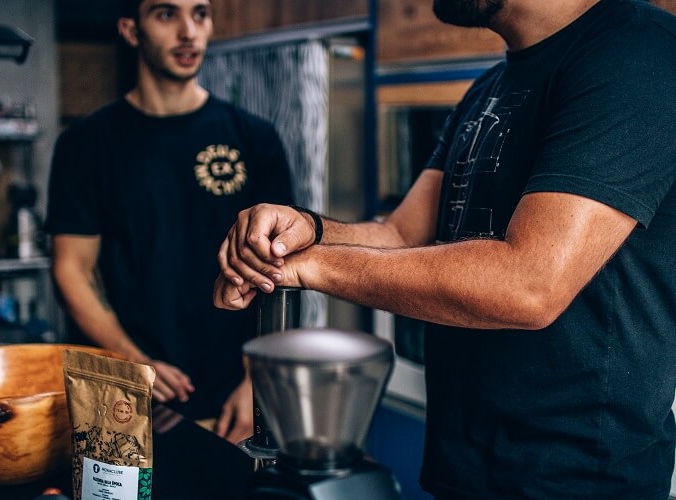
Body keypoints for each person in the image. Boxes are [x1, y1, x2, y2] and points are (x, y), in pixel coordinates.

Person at [214, 0, 676, 497]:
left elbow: (529, 284)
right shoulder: (487, 89)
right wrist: (304, 232)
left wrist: (308, 267)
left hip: (578, 482)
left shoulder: (638, 53)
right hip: (466, 466)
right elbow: (400, 235)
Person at [45, 0, 294, 444]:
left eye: (200, 14)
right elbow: (71, 268)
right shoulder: (85, 145)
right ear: (130, 29)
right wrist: (132, 361)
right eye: (166, 15)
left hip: (233, 399)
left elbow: (284, 269)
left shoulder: (254, 137)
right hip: (126, 397)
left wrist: (258, 377)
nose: (188, 31)